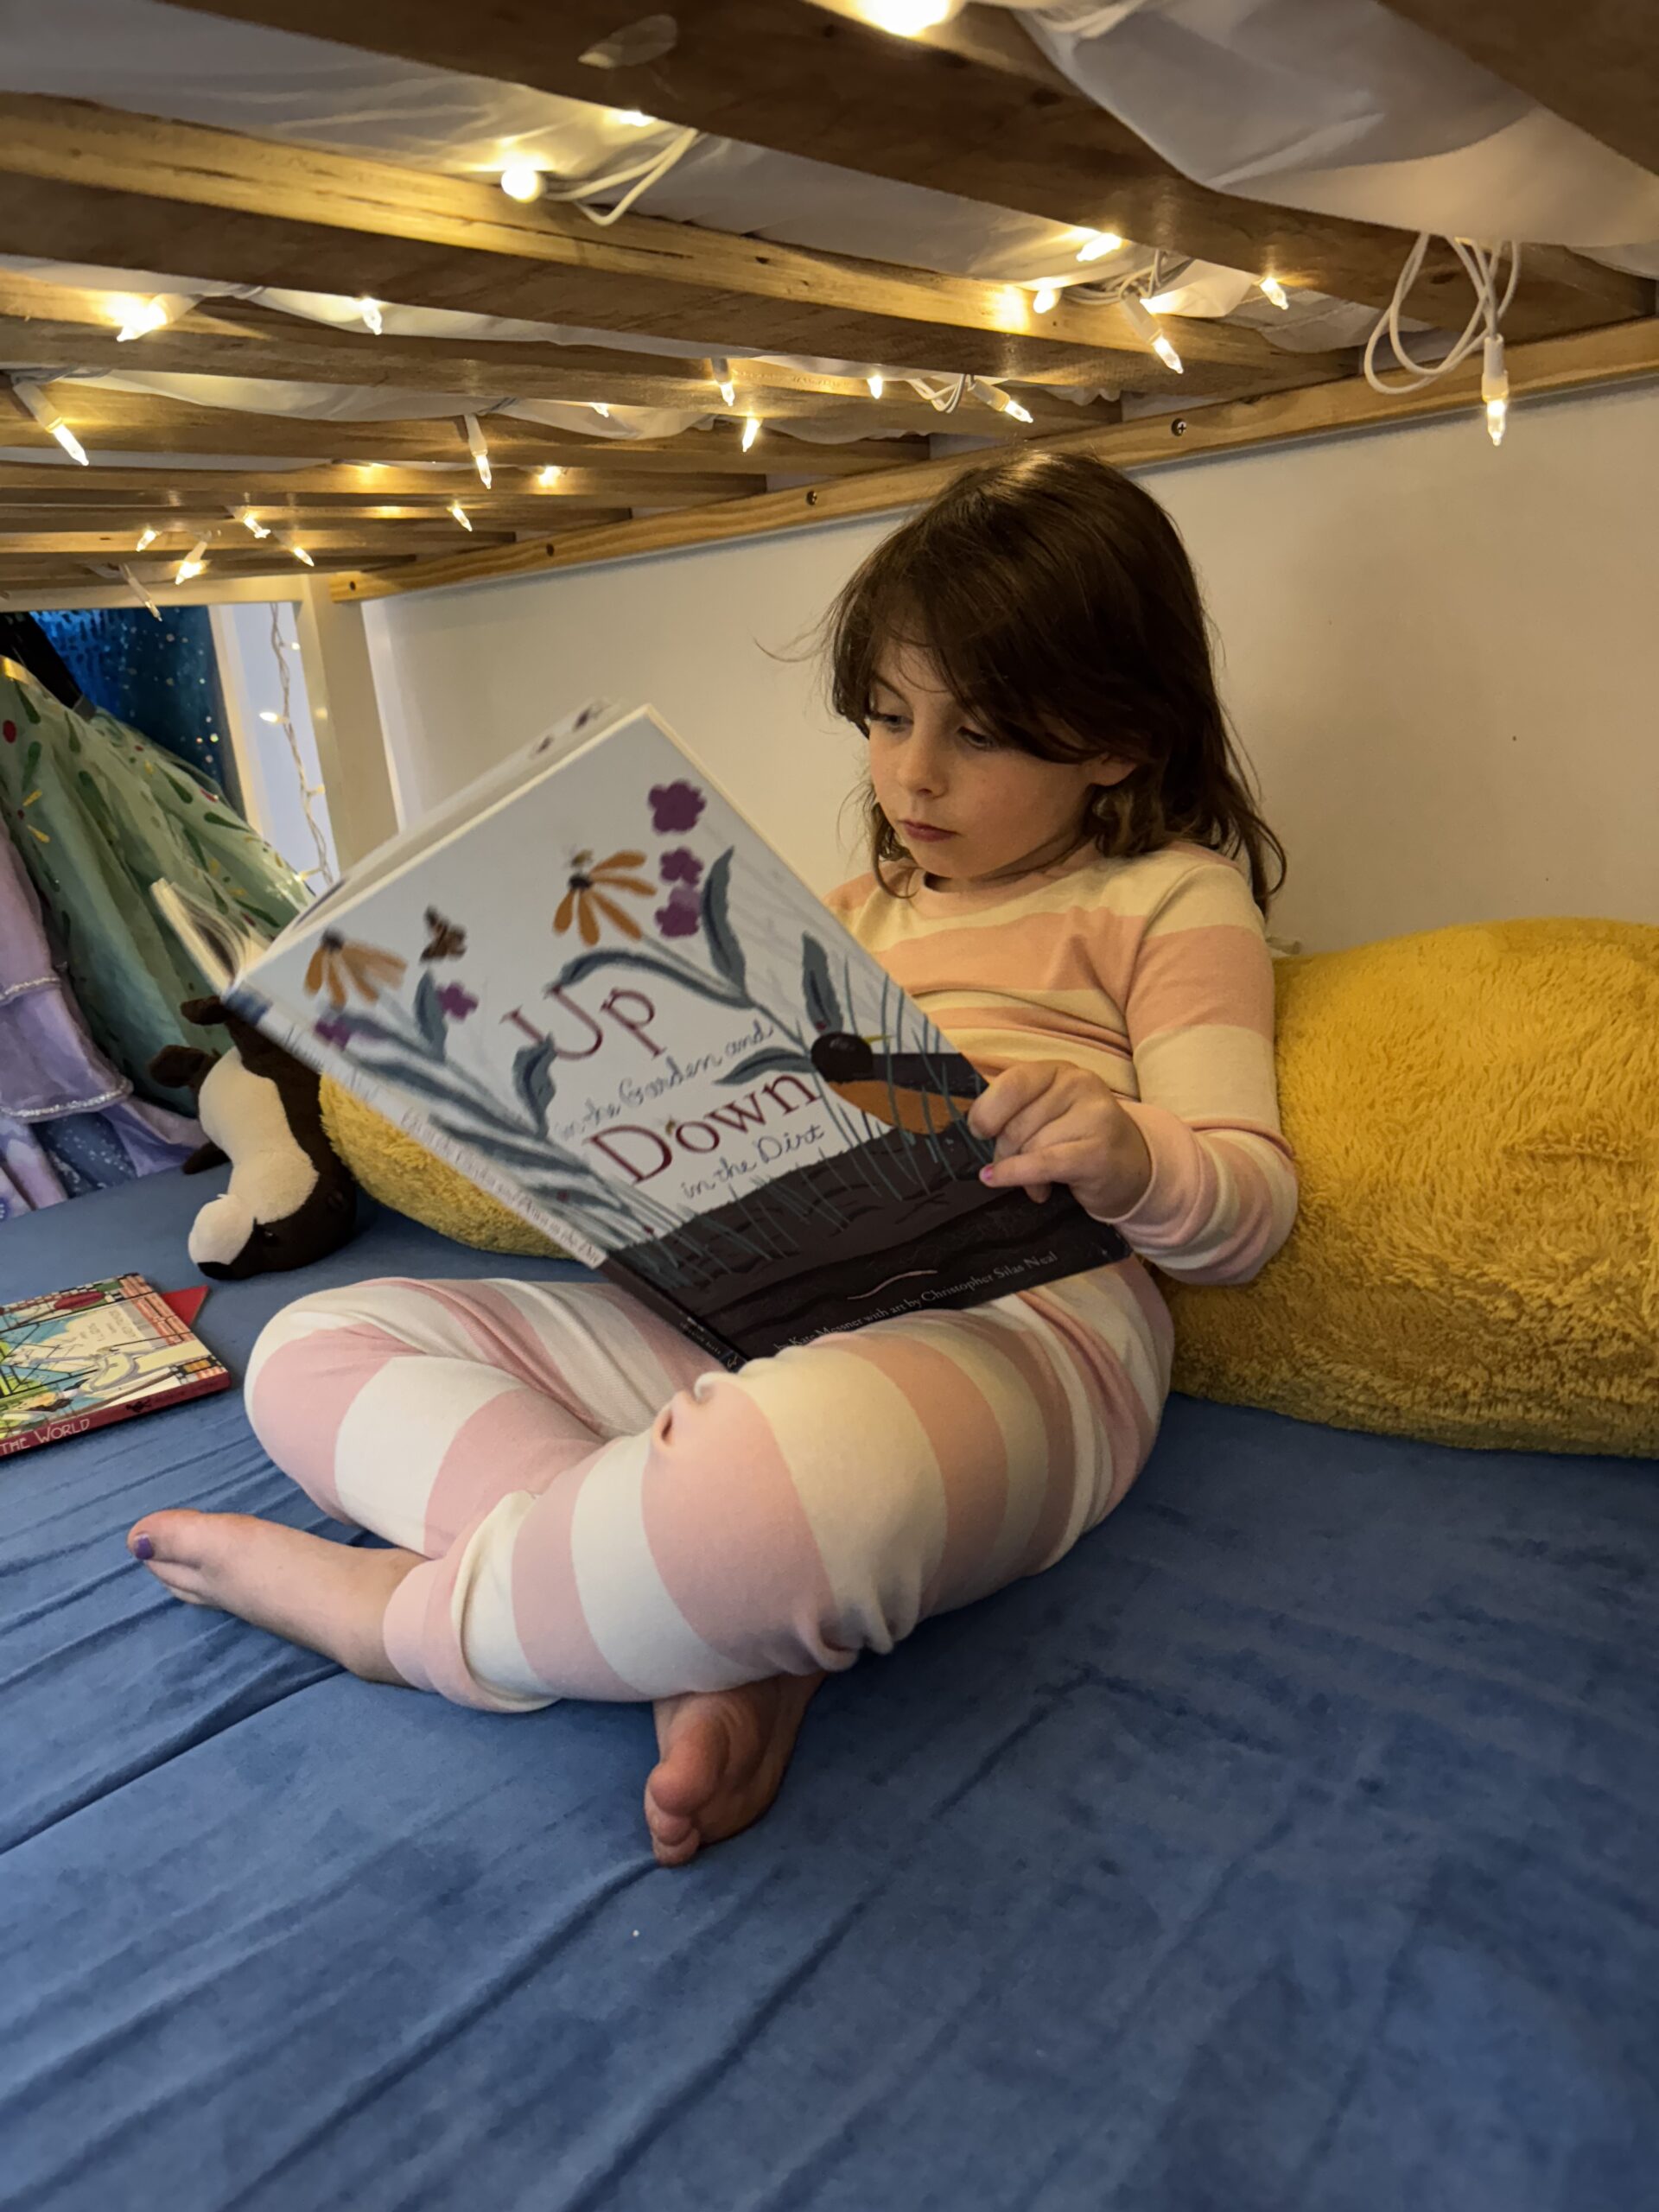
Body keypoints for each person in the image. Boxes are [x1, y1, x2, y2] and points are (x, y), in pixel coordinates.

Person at [128, 451, 1298, 1868]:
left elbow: (1246, 1206)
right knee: (313, 1342)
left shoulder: (1167, 895)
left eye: (982, 736)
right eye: (885, 717)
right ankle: (702, 1630)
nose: (913, 774)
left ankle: (405, 1623)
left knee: (795, 1478)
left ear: (1117, 738)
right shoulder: (841, 907)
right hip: (751, 1305)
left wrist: (1127, 1153)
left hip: (1030, 1324)